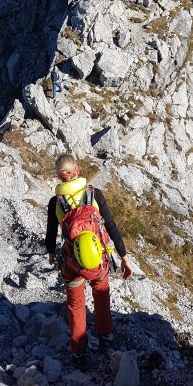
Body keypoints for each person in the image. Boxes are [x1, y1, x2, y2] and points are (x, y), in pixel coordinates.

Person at [45, 154, 133, 367]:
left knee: (76, 305)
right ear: (77, 169)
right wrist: (124, 257)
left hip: (71, 263)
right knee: (101, 294)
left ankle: (78, 352)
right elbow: (111, 226)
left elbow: (51, 234)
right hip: (98, 261)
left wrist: (51, 254)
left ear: (59, 176)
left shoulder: (56, 202)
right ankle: (105, 337)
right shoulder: (94, 194)